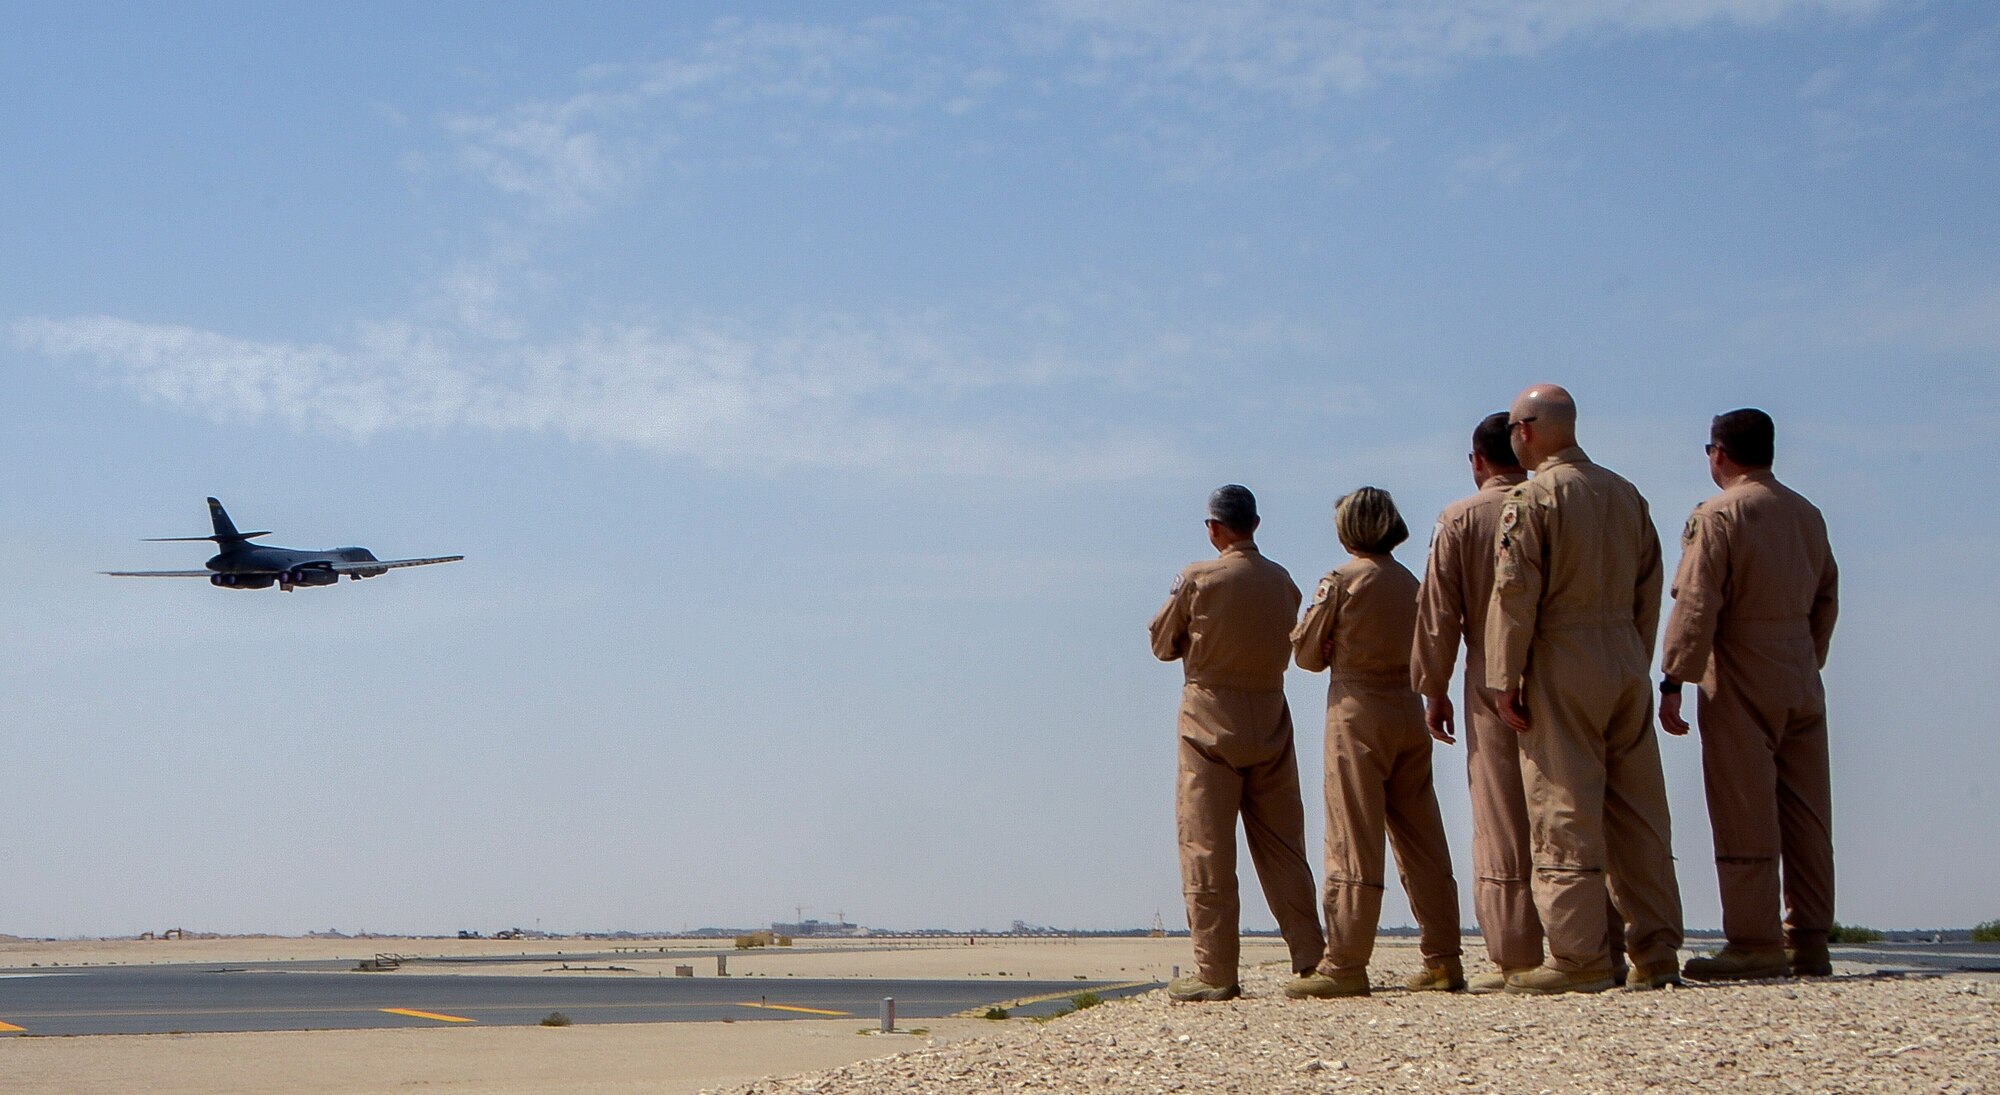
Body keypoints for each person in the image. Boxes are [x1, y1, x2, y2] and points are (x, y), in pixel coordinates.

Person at [1486, 384, 1685, 994]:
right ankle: (1655, 953)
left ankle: (1579, 957)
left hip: (1562, 655)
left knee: (1563, 801)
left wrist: (1503, 678)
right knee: (1639, 812)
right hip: (1624, 654)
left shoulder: (1532, 498)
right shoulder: (1626, 494)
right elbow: (1651, 588)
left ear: (1525, 430)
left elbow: (1515, 594)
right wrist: (1635, 655)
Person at [1659, 409, 1839, 980]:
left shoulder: (1717, 515)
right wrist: (1809, 656)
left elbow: (1696, 600)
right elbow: (1828, 596)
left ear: (1720, 453)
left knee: (1744, 809)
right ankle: (1809, 938)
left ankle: (1754, 940)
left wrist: (1673, 678)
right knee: (1808, 813)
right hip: (1800, 668)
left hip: (1740, 666)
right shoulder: (1806, 513)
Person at [1149, 485, 1326, 1001]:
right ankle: (1311, 958)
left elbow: (1162, 643)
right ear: (1255, 523)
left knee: (1206, 847)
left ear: (1214, 527)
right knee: (1283, 848)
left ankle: (1217, 969)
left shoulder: (1199, 578)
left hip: (1208, 719)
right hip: (1270, 714)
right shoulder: (1284, 582)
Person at [1286, 487, 1463, 998]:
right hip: (1407, 707)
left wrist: (1325, 644)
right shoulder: (1411, 582)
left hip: (1357, 711)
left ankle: (1345, 961)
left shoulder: (1341, 581)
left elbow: (1306, 654)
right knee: (1422, 838)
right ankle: (1444, 956)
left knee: (1352, 836)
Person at [1411, 413, 1541, 993]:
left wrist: (1432, 687)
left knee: (1501, 814)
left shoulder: (1461, 518)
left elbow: (1439, 613)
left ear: (1478, 460)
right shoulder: (1554, 500)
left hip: (1490, 672)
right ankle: (1594, 940)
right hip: (1565, 665)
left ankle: (1516, 954)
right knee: (1581, 802)